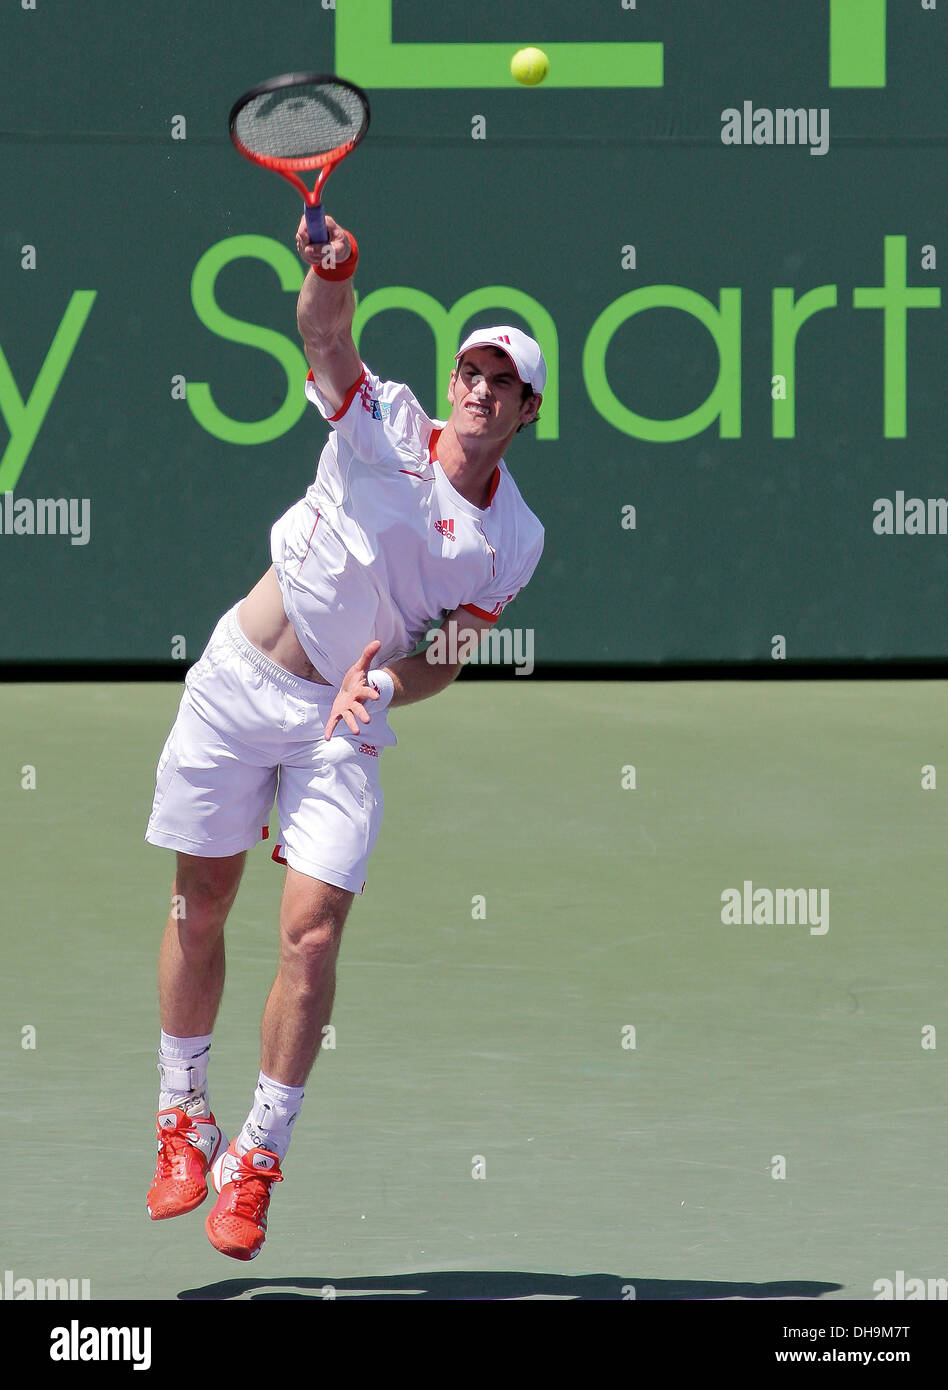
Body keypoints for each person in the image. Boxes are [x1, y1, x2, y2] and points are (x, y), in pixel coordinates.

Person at [143, 210, 546, 1260]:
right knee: (201, 905)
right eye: (472, 368)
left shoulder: (516, 540)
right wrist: (334, 266)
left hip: (343, 730)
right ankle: (183, 1115)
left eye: (501, 381)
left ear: (527, 409)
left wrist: (383, 684)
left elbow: (447, 658)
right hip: (239, 685)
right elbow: (326, 337)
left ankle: (258, 1158)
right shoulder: (389, 422)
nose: (479, 388)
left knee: (312, 934)